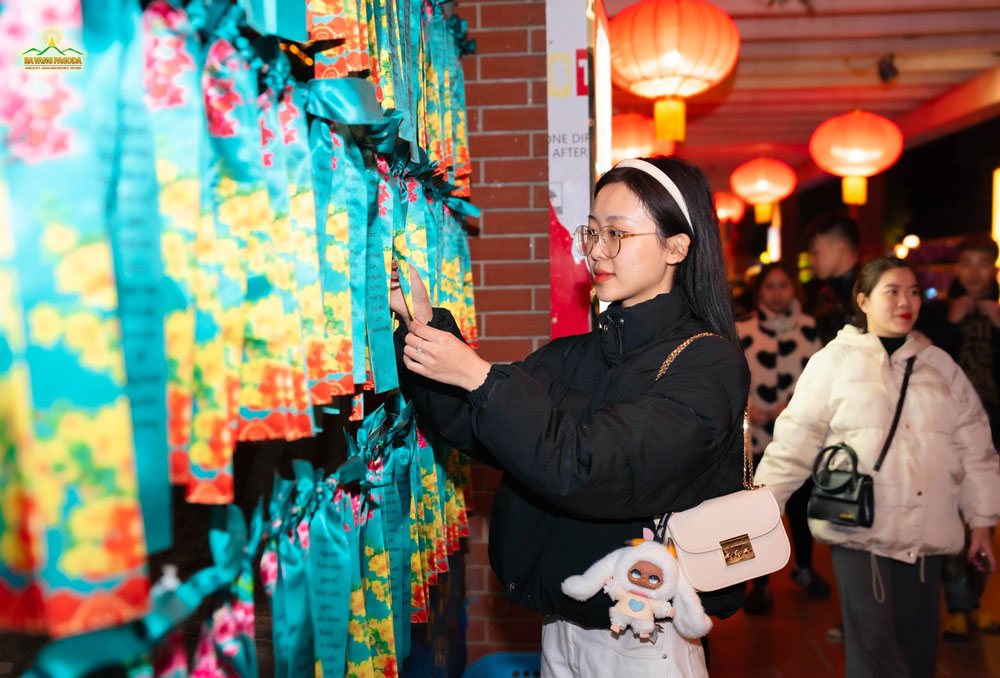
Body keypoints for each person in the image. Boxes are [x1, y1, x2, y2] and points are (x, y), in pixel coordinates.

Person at [389, 156, 750, 677]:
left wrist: (479, 376)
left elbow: (592, 466)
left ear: (677, 247)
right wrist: (421, 324)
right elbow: (477, 426)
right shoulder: (577, 353)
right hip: (563, 623)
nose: (597, 251)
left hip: (646, 632)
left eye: (618, 234)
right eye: (592, 232)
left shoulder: (707, 363)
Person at [754, 257, 1000, 678]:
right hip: (858, 528)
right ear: (864, 300)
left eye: (912, 292)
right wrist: (761, 511)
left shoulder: (941, 367)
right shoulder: (835, 361)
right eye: (892, 291)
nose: (906, 301)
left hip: (926, 534)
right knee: (874, 654)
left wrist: (981, 524)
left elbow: (977, 450)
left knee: (918, 653)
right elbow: (795, 440)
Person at [917, 234, 1000, 640]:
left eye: (982, 264)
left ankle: (975, 603)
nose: (973, 272)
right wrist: (952, 321)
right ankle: (954, 606)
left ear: (994, 268)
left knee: (984, 516)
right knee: (949, 514)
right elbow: (928, 363)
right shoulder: (935, 312)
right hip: (946, 427)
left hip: (994, 429)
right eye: (966, 263)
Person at [736, 263, 826, 614]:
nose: (776, 292)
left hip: (798, 438)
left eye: (782, 285)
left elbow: (820, 379)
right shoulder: (740, 328)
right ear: (759, 291)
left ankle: (803, 568)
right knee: (758, 511)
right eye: (769, 286)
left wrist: (794, 407)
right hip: (754, 438)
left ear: (793, 290)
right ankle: (759, 583)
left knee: (803, 508)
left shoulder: (809, 328)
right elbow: (729, 377)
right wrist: (748, 408)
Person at [802, 213, 861, 345]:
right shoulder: (819, 293)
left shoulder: (870, 292)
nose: (812, 261)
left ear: (841, 247)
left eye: (815, 252)